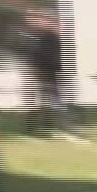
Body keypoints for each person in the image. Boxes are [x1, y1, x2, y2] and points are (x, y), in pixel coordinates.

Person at [20, 8, 76, 139]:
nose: (50, 22)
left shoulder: (53, 36)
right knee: (34, 102)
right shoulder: (34, 35)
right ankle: (29, 130)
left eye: (53, 21)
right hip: (36, 72)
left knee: (52, 102)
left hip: (51, 73)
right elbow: (31, 53)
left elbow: (60, 55)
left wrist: (61, 69)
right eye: (47, 20)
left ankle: (49, 127)